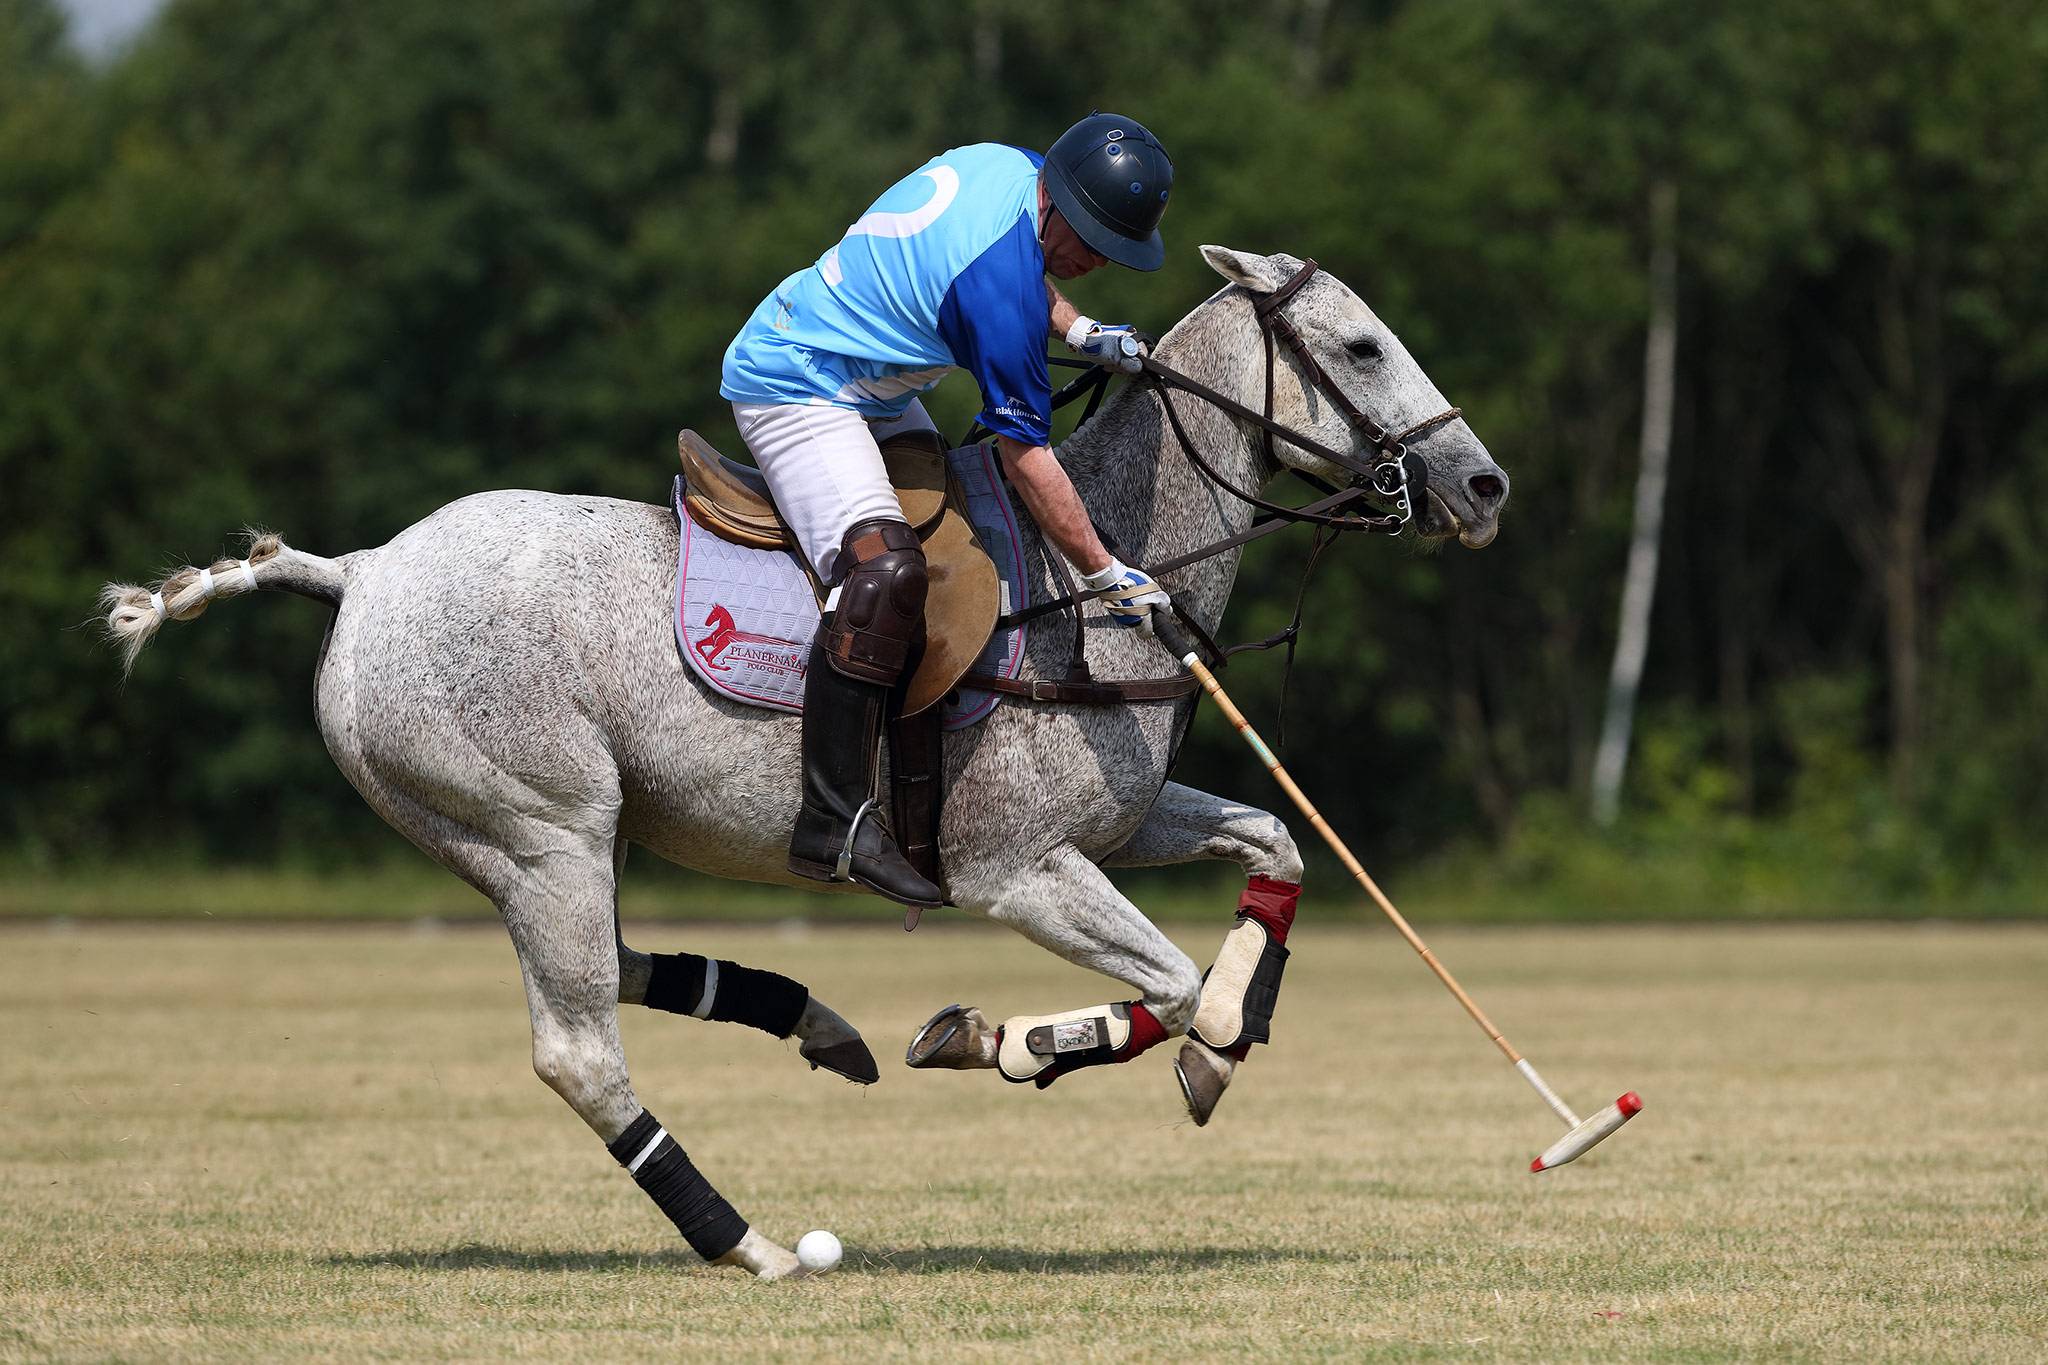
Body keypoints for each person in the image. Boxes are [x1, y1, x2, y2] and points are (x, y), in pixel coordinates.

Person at [720, 112, 1175, 909]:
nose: (1097, 260)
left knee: (971, 540)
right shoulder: (997, 285)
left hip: (880, 383)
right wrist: (1104, 571)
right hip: (800, 383)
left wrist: (1080, 327)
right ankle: (834, 822)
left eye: (1113, 250)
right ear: (1058, 202)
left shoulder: (1022, 170)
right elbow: (1026, 455)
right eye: (1093, 241)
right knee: (886, 571)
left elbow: (1033, 272)